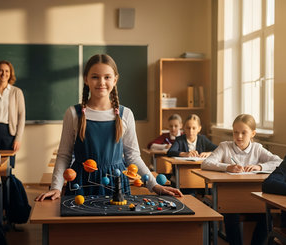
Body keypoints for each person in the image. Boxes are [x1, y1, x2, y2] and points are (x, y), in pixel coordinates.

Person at [36, 54, 182, 201]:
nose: (101, 82)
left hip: (116, 183)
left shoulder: (125, 114)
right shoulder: (73, 113)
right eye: (95, 77)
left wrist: (154, 185)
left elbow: (133, 156)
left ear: (115, 80)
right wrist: (56, 187)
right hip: (81, 184)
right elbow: (64, 155)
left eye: (107, 77)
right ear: (86, 79)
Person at [202, 114, 282, 245]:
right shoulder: (225, 146)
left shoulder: (257, 148)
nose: (239, 136)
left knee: (266, 217)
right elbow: (206, 163)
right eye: (235, 132)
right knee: (230, 215)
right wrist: (227, 167)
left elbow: (279, 162)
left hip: (254, 199)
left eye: (243, 133)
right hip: (231, 198)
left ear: (253, 133)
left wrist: (259, 166)